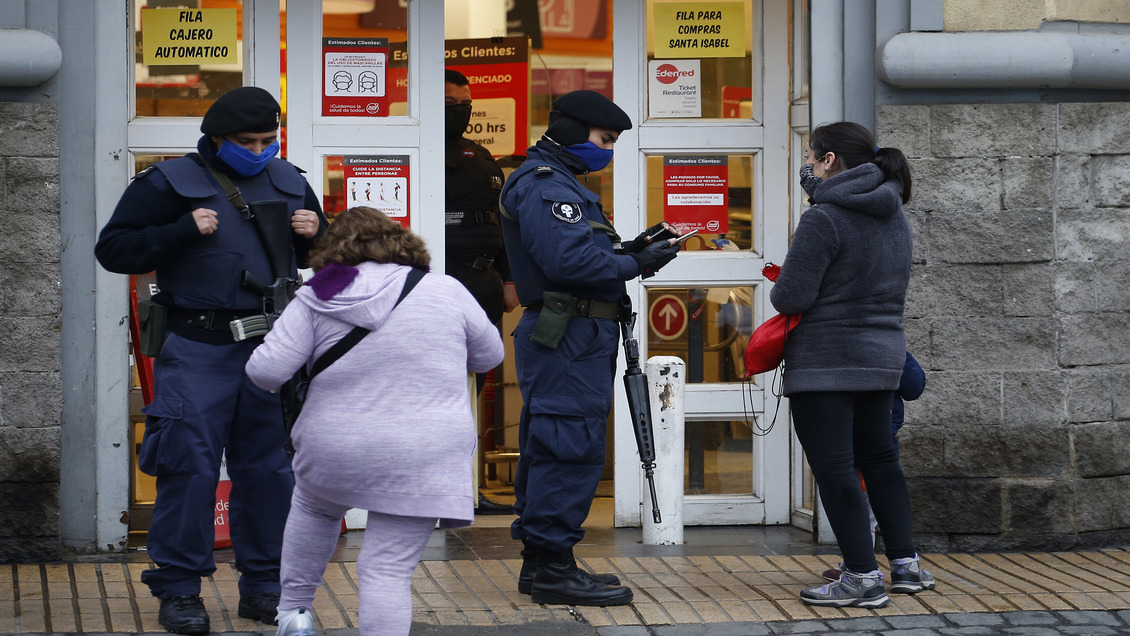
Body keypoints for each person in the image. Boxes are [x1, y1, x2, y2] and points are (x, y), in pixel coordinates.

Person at [95, 86, 329, 634]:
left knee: (270, 473)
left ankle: (265, 587)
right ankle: (179, 591)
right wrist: (181, 230)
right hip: (198, 347)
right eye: (247, 142)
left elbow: (330, 263)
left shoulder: (290, 180)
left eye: (269, 139)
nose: (260, 150)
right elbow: (114, 251)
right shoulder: (169, 183)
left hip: (271, 351)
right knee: (188, 470)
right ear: (216, 139)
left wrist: (321, 236)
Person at [245, 206, 505, 636]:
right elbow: (490, 356)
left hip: (336, 446)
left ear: (334, 250)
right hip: (426, 450)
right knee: (386, 568)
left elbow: (266, 371)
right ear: (402, 244)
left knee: (315, 507)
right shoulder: (443, 288)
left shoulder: (321, 291)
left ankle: (294, 613)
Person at [499, 89, 682, 606]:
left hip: (574, 338)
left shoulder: (559, 182)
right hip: (568, 339)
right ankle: (554, 569)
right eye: (605, 140)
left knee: (556, 447)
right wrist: (640, 265)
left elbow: (580, 252)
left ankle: (544, 565)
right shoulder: (544, 186)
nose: (609, 150)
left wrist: (631, 249)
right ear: (575, 131)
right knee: (567, 450)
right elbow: (570, 266)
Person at [771, 121, 934, 609]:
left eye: (810, 154)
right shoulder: (894, 213)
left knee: (836, 469)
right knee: (881, 461)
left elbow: (790, 296)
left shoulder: (824, 219)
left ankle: (862, 577)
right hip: (882, 358)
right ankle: (905, 567)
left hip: (826, 363)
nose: (807, 161)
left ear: (827, 161)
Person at [443, 68, 520, 515]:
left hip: (483, 284)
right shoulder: (419, 154)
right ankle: (446, 493)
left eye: (466, 104)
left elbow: (503, 226)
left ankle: (468, 490)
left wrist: (509, 279)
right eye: (453, 105)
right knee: (444, 393)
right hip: (441, 284)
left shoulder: (482, 155)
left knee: (475, 389)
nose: (462, 111)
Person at [822, 350, 926, 582]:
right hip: (878, 439)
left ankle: (859, 565)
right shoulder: (887, 347)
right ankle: (882, 565)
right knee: (869, 503)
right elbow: (914, 386)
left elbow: (913, 388)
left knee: (860, 504)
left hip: (850, 438)